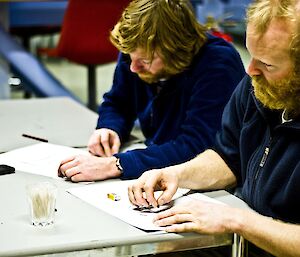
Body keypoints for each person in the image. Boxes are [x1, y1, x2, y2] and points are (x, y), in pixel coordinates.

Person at [128, 0, 300, 256]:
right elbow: (229, 157)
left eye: (268, 64)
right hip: (243, 241)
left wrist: (237, 221)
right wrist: (177, 174)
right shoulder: (260, 87)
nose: (251, 70)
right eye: (251, 55)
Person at [58, 0, 245, 182]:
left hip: (209, 181)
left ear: (175, 51)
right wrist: (109, 127)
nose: (133, 68)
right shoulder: (137, 50)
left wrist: (116, 165)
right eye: (130, 57)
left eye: (145, 61)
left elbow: (197, 146)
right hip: (158, 162)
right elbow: (118, 102)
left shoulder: (217, 64)